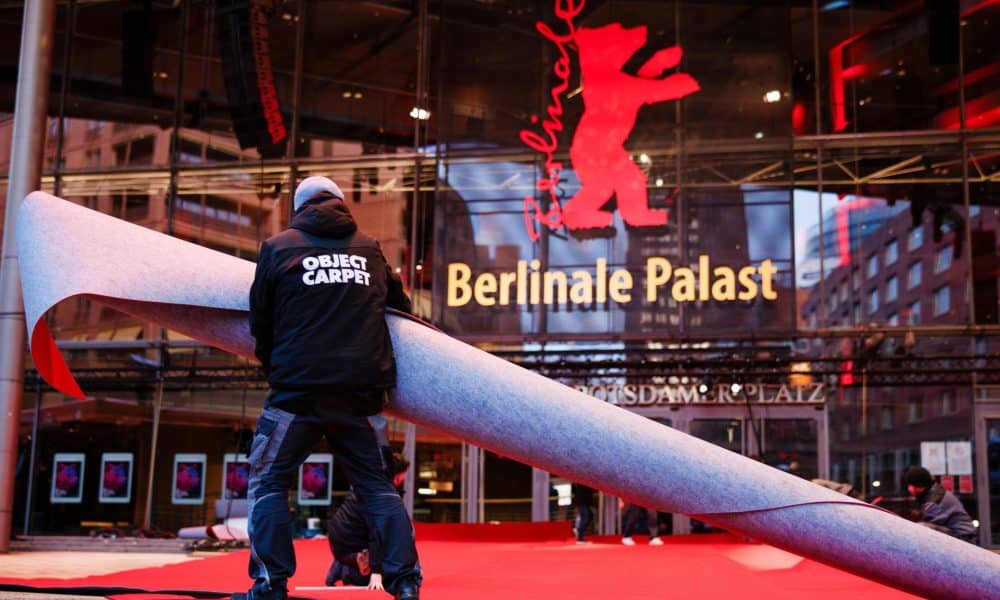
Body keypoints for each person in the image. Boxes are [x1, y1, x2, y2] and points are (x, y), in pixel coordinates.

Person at [236, 176, 421, 600]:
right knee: (376, 485)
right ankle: (405, 582)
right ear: (340, 203)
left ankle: (270, 585)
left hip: (296, 392)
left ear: (298, 207)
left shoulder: (278, 248)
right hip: (357, 394)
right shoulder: (370, 248)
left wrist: (275, 364)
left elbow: (259, 321)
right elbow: (401, 310)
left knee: (268, 481)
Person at [325, 449, 411, 591]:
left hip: (340, 538)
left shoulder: (371, 483)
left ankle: (348, 562)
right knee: (391, 569)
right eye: (403, 475)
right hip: (351, 541)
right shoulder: (381, 496)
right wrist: (376, 571)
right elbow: (376, 532)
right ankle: (350, 569)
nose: (405, 478)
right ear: (397, 476)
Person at [902, 466, 977, 543]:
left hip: (964, 538)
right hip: (962, 534)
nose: (909, 489)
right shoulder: (934, 490)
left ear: (918, 485)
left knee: (922, 527)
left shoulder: (934, 502)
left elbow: (928, 527)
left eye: (911, 485)